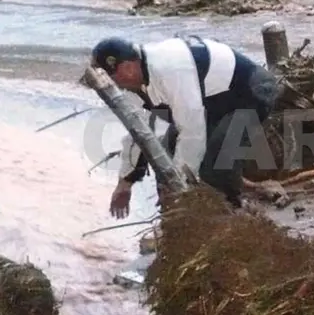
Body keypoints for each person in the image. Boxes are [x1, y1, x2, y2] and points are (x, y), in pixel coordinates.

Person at [90, 35, 280, 216]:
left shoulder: (170, 68)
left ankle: (229, 215)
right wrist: (125, 183)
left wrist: (180, 189)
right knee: (166, 155)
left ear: (127, 68)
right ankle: (176, 218)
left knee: (216, 165)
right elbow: (138, 133)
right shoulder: (134, 83)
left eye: (114, 79)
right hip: (213, 102)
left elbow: (192, 133)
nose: (117, 86)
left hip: (252, 92)